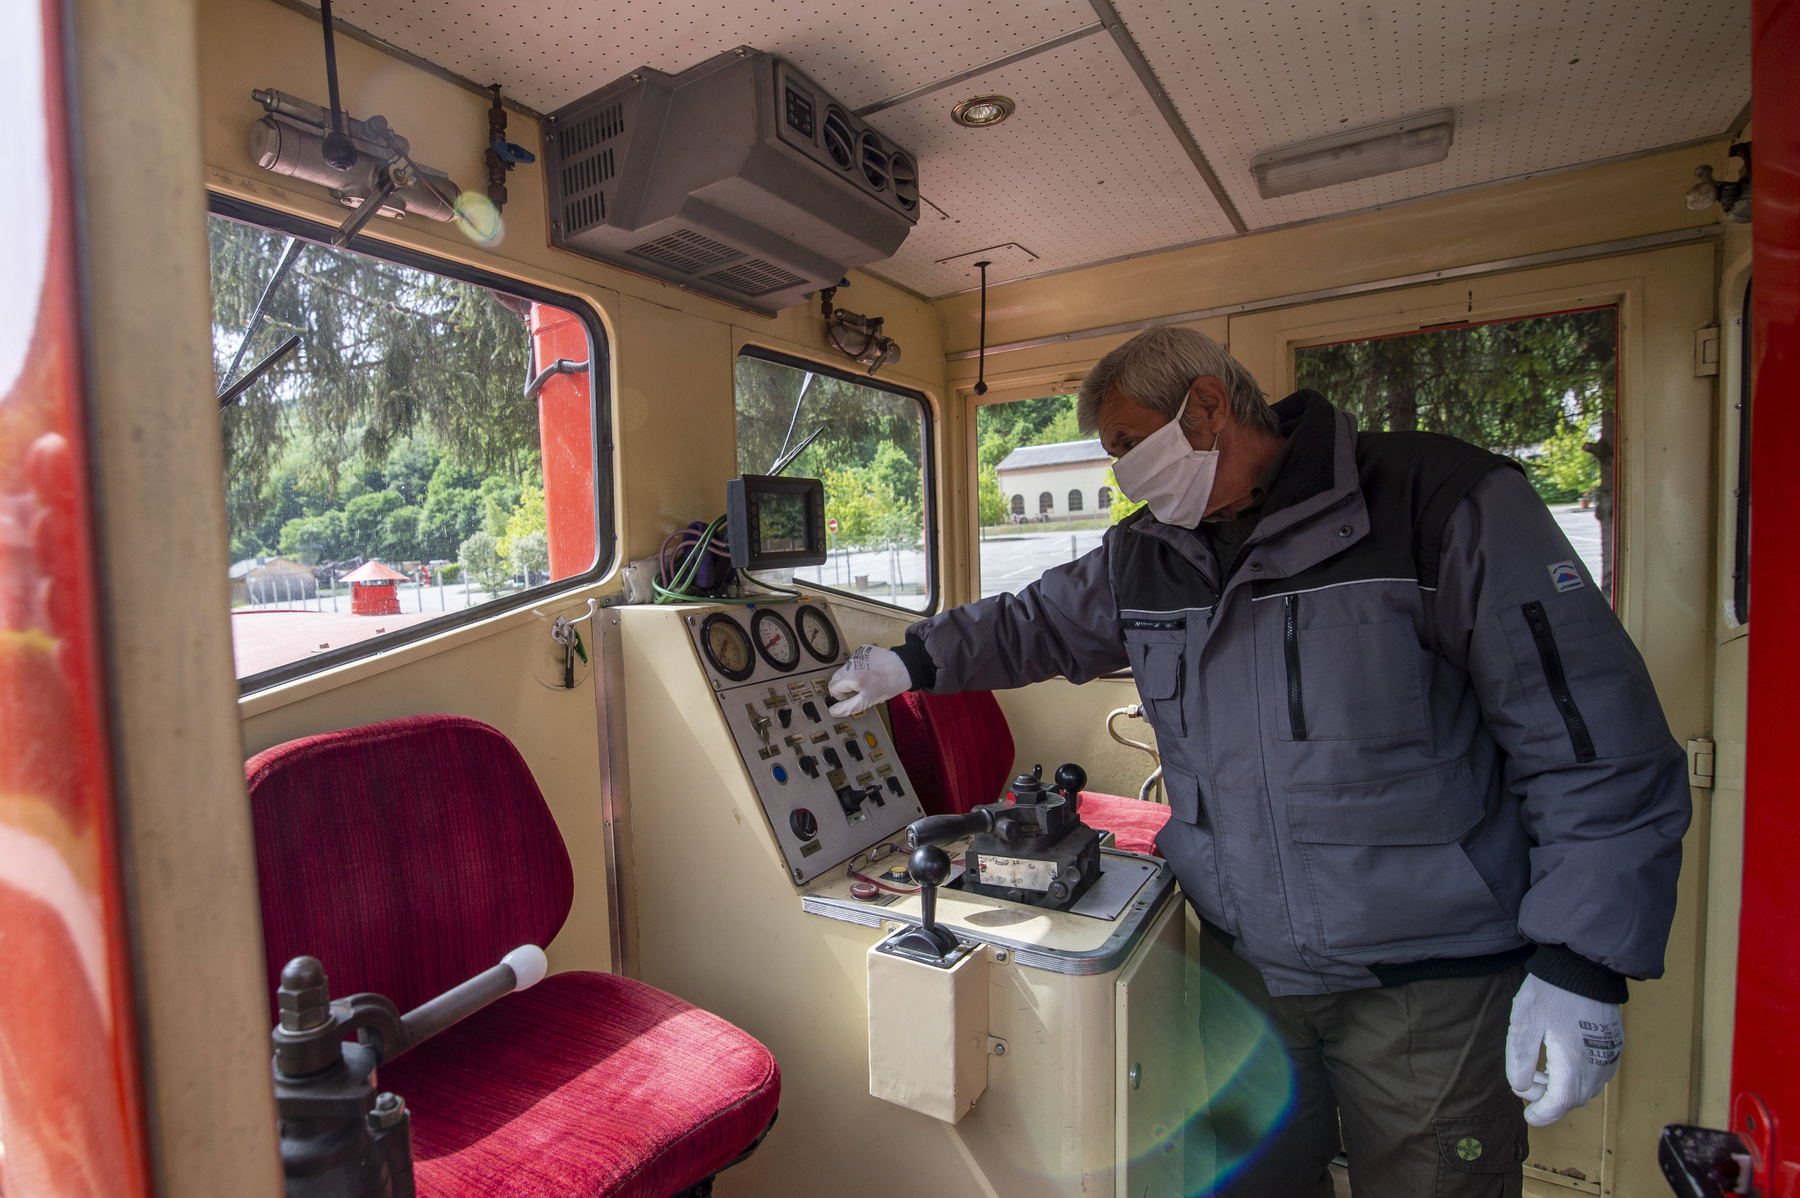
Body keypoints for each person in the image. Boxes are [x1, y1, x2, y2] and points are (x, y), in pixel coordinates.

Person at [828, 326, 1689, 1197]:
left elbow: (1588, 736)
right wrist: (910, 661)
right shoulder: (1148, 552)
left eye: (1129, 446)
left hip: (1430, 984)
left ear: (1206, 408)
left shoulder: (1438, 503)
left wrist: (1582, 958)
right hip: (1248, 971)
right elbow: (1035, 622)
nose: (1123, 475)